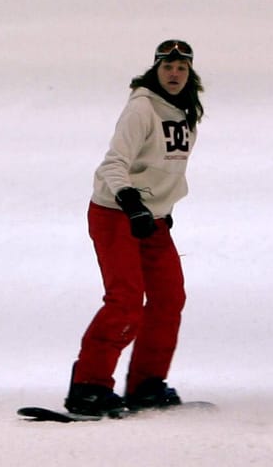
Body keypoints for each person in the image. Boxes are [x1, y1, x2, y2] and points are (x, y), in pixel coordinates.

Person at [60, 38, 204, 418]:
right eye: (167, 67)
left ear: (190, 75)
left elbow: (166, 168)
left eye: (181, 68)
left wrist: (161, 206)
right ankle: (89, 386)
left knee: (169, 298)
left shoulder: (185, 112)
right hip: (115, 213)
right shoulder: (141, 110)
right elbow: (114, 163)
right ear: (155, 70)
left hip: (151, 218)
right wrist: (129, 200)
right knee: (126, 301)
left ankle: (147, 383)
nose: (174, 74)